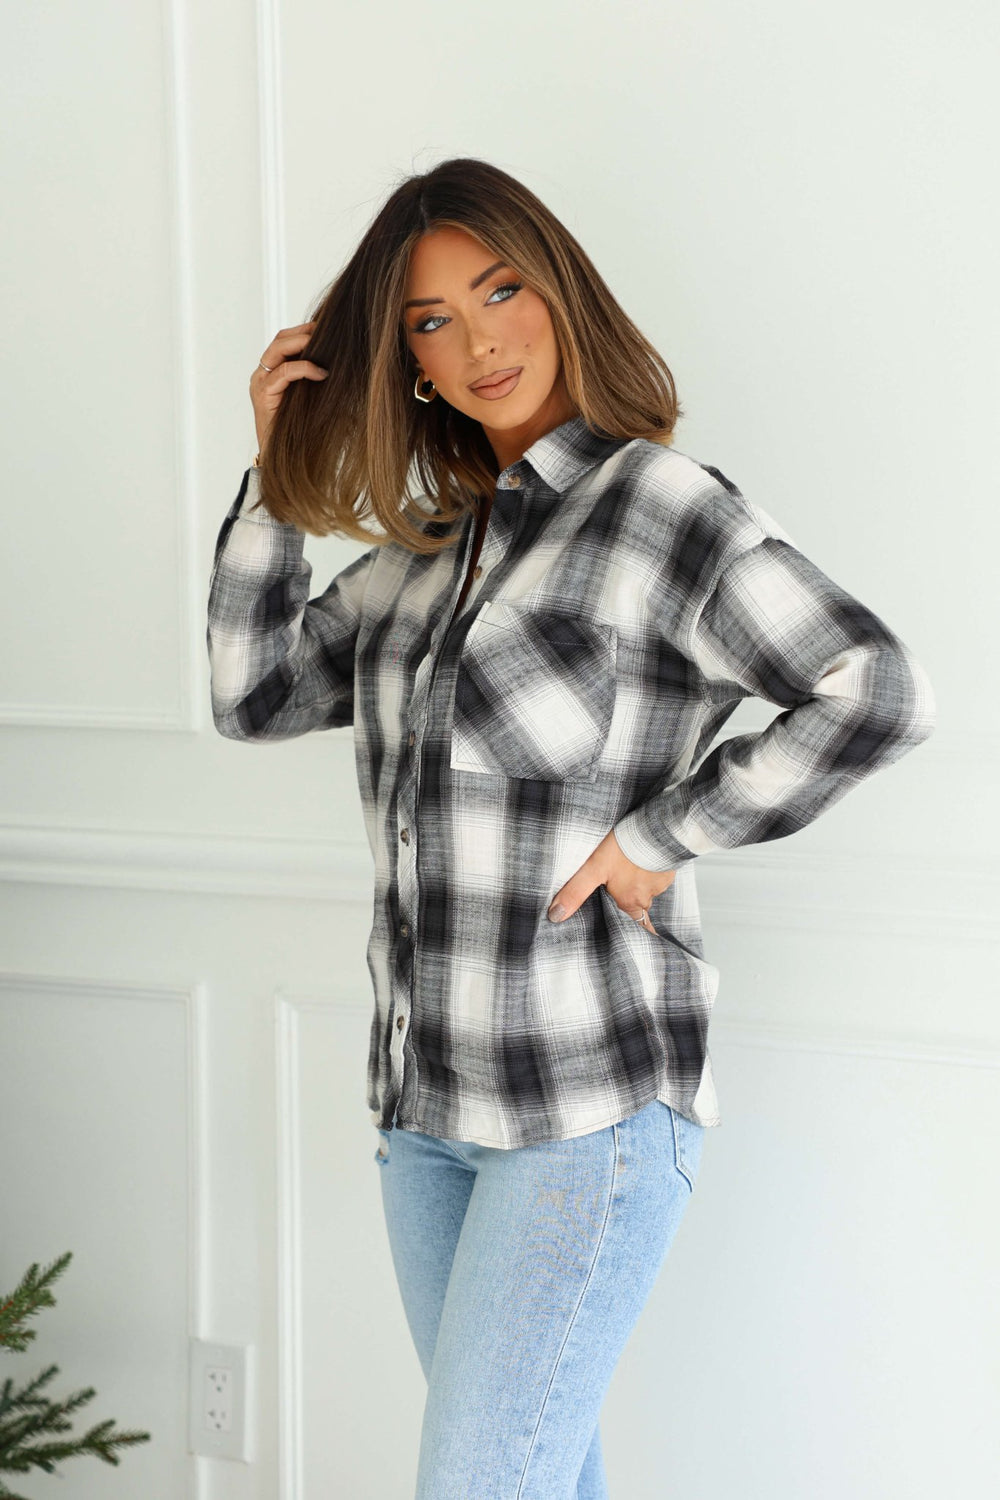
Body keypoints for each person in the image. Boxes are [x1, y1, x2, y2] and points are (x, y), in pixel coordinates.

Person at [206, 157, 936, 1499]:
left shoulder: (659, 510)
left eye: (502, 290)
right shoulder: (430, 555)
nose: (479, 339)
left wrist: (668, 835)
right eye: (431, 319)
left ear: (562, 295)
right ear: (406, 360)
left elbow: (876, 687)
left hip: (587, 1113)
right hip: (426, 1118)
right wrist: (271, 482)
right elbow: (255, 697)